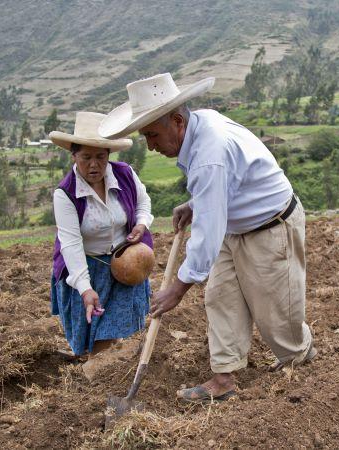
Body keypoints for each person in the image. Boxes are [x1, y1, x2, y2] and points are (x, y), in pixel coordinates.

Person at [99, 73, 315, 403]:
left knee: (277, 317)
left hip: (270, 227)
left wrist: (177, 289)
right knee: (220, 296)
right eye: (146, 137)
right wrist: (195, 204)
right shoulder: (200, 127)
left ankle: (305, 369)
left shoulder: (209, 153)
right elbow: (221, 189)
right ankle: (224, 378)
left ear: (177, 122)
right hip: (235, 225)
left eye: (153, 135)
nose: (151, 145)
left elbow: (208, 229)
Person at [49, 111, 154, 360]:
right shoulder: (65, 194)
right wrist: (85, 289)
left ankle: (106, 374)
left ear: (109, 155)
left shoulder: (125, 174)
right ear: (73, 156)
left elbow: (143, 203)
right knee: (92, 338)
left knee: (111, 333)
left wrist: (141, 224)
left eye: (100, 156)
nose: (94, 164)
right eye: (86, 157)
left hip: (125, 266)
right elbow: (71, 245)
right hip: (87, 269)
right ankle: (98, 377)